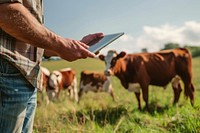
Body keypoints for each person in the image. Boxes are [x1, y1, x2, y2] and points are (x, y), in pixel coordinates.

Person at [0, 1, 103, 133]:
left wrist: (75, 47)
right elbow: (7, 11)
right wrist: (60, 45)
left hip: (29, 75)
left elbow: (31, 40)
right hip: (8, 69)